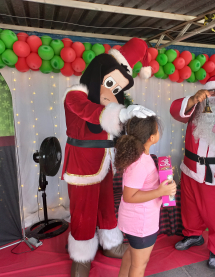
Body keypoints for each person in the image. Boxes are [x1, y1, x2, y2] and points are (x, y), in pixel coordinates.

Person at [62, 38, 155, 277]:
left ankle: (111, 243)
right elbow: (89, 112)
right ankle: (81, 256)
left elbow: (114, 124)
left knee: (106, 205)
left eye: (117, 89)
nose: (112, 93)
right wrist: (123, 111)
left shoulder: (113, 105)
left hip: (105, 161)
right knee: (83, 210)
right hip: (82, 164)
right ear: (97, 75)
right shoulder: (75, 95)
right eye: (110, 83)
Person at [170, 75, 215, 269]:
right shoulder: (196, 108)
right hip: (191, 169)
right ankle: (193, 235)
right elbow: (175, 110)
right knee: (190, 208)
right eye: (211, 90)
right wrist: (192, 99)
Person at [115, 116, 177, 277]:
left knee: (131, 255)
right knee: (139, 265)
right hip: (141, 223)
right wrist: (160, 192)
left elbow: (143, 183)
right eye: (157, 130)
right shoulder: (140, 162)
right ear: (151, 137)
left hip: (136, 220)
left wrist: (165, 178)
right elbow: (129, 196)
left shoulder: (141, 157)